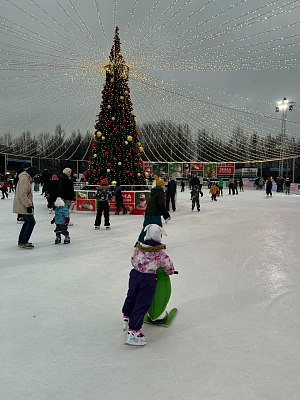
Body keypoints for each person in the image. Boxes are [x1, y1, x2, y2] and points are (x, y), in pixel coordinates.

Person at [122, 224, 174, 346]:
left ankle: (126, 316)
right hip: (148, 279)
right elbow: (168, 266)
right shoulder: (160, 253)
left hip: (135, 275)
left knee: (132, 296)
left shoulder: (139, 247)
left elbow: (133, 259)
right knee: (142, 303)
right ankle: (133, 332)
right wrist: (170, 272)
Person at [13, 166, 40, 249]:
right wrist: (28, 205)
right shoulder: (25, 179)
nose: (37, 176)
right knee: (31, 222)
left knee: (28, 222)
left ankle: (22, 240)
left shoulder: (26, 179)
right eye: (36, 174)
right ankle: (23, 241)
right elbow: (22, 194)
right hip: (24, 205)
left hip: (23, 205)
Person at [137, 179, 170, 243]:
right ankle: (157, 242)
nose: (164, 186)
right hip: (154, 214)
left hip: (148, 213)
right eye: (163, 185)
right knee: (158, 228)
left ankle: (140, 241)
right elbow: (162, 205)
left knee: (146, 227)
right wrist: (166, 215)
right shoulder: (160, 193)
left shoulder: (154, 192)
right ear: (160, 185)